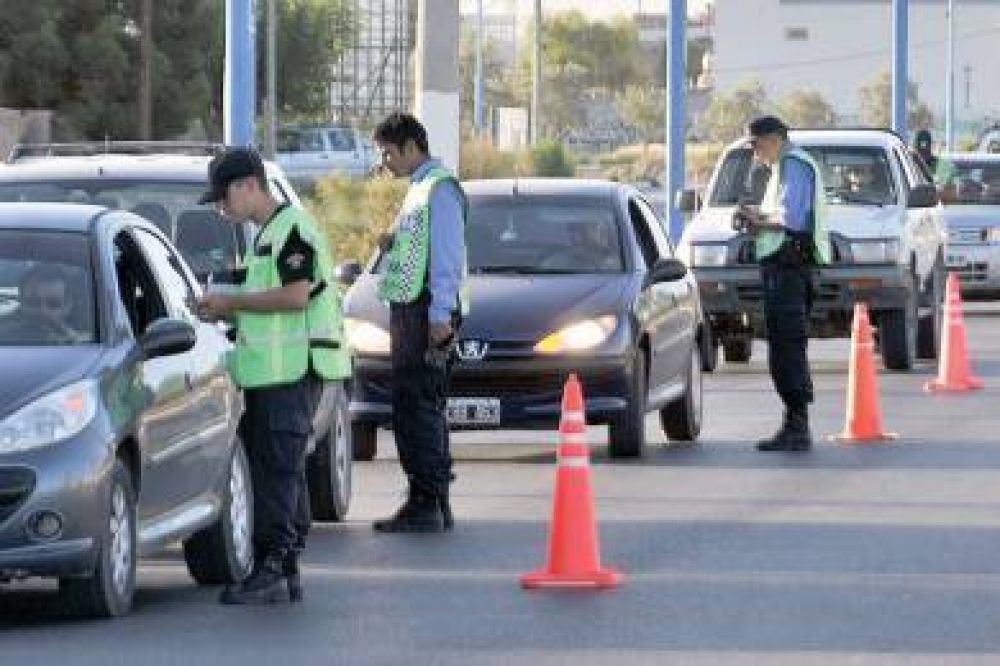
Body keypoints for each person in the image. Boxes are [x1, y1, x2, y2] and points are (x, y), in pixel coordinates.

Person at [195, 147, 350, 604]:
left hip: (293, 371)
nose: (222, 210)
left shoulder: (292, 229)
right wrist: (226, 305)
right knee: (280, 469)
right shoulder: (270, 233)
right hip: (273, 374)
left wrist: (232, 303)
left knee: (276, 472)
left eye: (224, 199)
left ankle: (274, 565)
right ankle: (285, 565)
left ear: (248, 185)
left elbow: (297, 295)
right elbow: (269, 297)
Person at [372, 112, 467, 533]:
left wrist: (439, 316)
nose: (385, 162)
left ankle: (429, 500)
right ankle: (425, 498)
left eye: (389, 153)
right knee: (410, 405)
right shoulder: (418, 188)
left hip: (427, 310)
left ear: (411, 147)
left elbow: (446, 256)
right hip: (412, 309)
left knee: (422, 406)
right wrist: (391, 240)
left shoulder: (439, 188)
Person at [736, 116, 829, 452]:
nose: (755, 152)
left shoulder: (793, 164)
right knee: (784, 345)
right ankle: (794, 424)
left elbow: (792, 220)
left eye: (756, 144)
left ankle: (797, 426)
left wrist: (756, 221)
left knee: (787, 347)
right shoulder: (783, 167)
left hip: (790, 266)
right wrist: (758, 216)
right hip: (783, 266)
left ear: (774, 139)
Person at [14, 265, 87, 344]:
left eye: (53, 303)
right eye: (33, 302)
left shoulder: (83, 344)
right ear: (21, 302)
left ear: (68, 306)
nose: (43, 310)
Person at [914, 129, 956, 201]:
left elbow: (951, 191)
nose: (922, 156)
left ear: (930, 146)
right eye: (920, 151)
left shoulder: (944, 167)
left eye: (926, 151)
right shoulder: (908, 165)